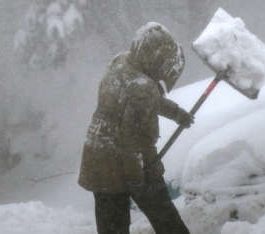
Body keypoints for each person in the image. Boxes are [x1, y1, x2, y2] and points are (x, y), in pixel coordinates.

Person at [78, 22, 195, 234]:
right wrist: (136, 178)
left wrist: (175, 112)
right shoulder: (143, 87)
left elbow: (137, 99)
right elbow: (130, 138)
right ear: (156, 58)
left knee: (112, 226)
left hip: (97, 160)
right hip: (127, 165)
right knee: (167, 220)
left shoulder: (121, 61)